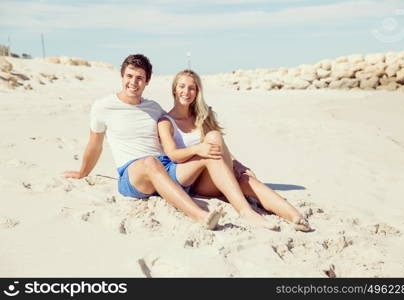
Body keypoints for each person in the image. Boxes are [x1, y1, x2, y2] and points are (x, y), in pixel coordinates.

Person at [64, 54, 221, 230]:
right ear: (122, 76)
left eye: (140, 78)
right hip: (133, 175)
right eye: (129, 76)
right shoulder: (103, 107)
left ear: (147, 81)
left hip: (166, 169)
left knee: (205, 155)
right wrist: (82, 172)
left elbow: (176, 130)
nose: (134, 82)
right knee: (150, 162)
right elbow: (94, 145)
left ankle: (245, 197)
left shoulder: (153, 107)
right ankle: (201, 216)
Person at [157, 69, 310, 231]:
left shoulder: (202, 116)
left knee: (244, 178)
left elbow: (220, 146)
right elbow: (173, 155)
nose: (186, 92)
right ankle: (246, 212)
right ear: (174, 89)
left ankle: (294, 216)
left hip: (214, 171)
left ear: (197, 92)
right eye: (182, 86)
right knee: (212, 146)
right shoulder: (165, 122)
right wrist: (199, 149)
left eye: (191, 88)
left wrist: (237, 164)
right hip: (192, 179)